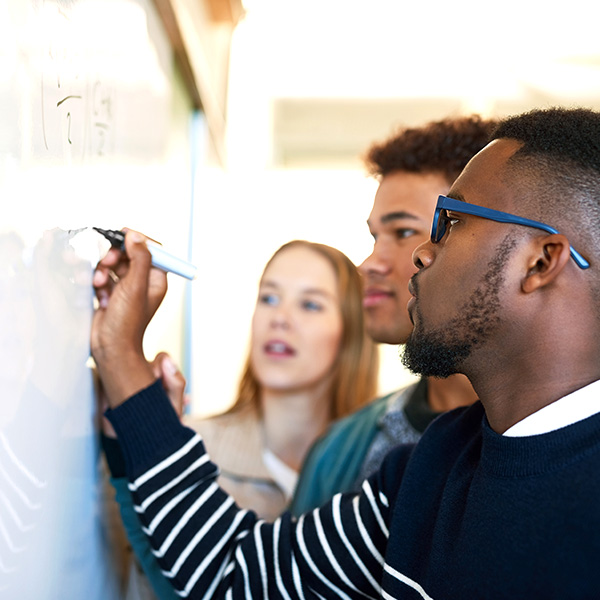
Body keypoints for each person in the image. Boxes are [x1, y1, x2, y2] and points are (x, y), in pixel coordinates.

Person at [92, 106, 600, 598]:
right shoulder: (431, 467)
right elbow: (233, 572)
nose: (424, 251)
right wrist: (121, 356)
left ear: (541, 261)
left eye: (450, 221)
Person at [101, 239, 379, 597]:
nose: (280, 318)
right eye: (269, 298)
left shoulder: (378, 466)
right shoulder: (188, 449)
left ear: (352, 332)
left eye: (310, 304)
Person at [291, 115, 495, 514]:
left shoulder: (551, 442)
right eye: (373, 237)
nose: (369, 263)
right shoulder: (342, 450)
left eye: (402, 232)